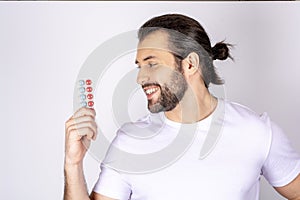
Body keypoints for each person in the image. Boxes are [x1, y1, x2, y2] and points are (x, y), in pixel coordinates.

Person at [64, 14, 300, 200]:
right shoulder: (129, 142)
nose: (140, 78)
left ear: (190, 64)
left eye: (152, 64)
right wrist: (73, 164)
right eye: (139, 67)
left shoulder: (256, 132)